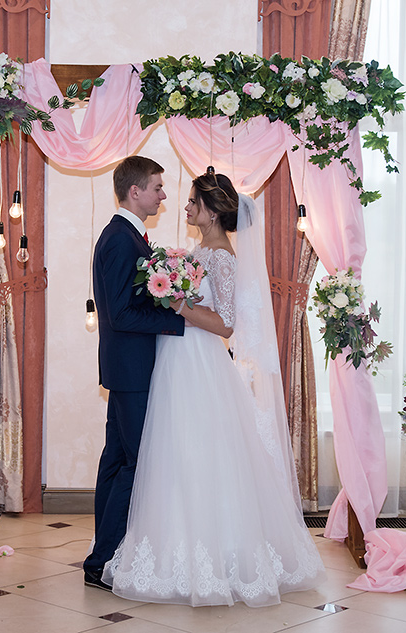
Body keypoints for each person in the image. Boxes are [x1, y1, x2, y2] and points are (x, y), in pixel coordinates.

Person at [102, 169, 326, 607]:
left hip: (199, 362)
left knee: (201, 453)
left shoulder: (222, 255)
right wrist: (173, 296)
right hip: (174, 360)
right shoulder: (200, 249)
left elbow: (226, 324)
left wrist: (178, 305)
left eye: (190, 201)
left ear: (210, 209)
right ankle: (173, 548)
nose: (182, 206)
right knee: (172, 454)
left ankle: (217, 557)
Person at [83, 156, 186, 591]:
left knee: (115, 461)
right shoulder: (123, 240)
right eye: (158, 187)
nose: (163, 195)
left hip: (127, 370)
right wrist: (177, 322)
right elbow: (122, 314)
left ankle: (102, 557)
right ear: (135, 191)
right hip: (132, 372)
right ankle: (103, 560)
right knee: (135, 466)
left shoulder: (126, 236)